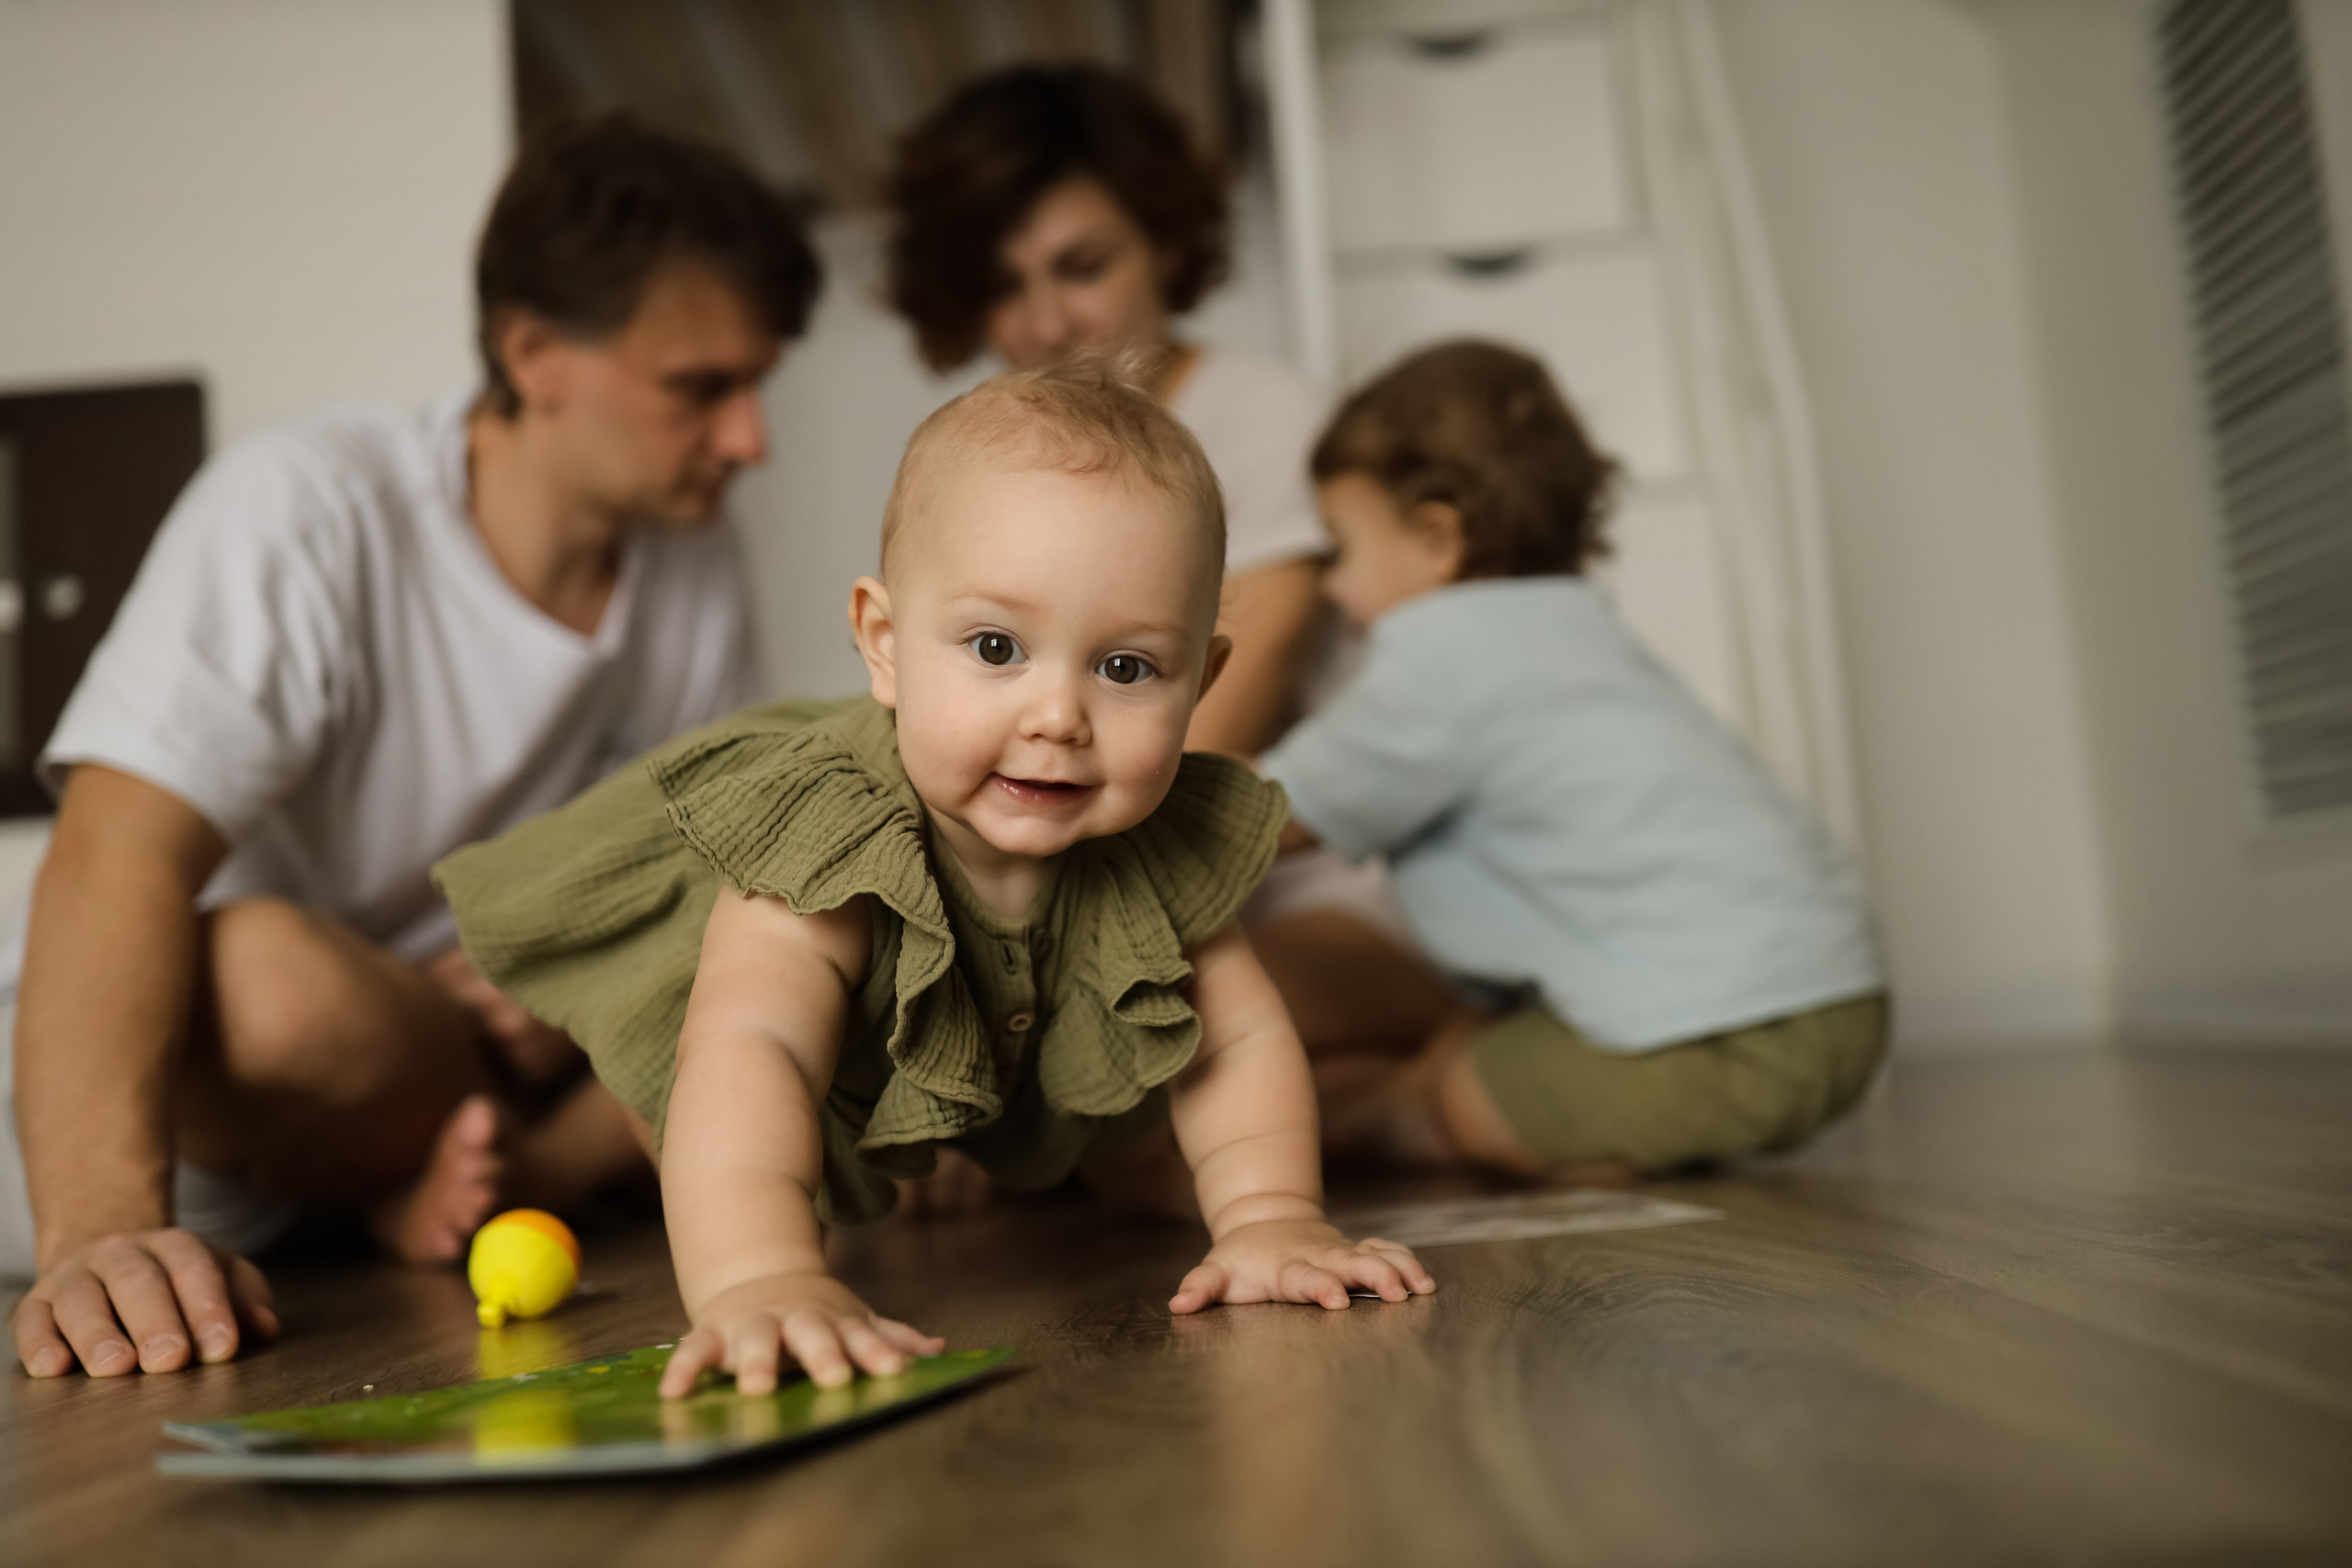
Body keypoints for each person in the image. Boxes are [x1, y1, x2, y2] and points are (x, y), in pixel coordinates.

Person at [434, 359, 1436, 1394]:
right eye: (997, 647)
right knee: (722, 1068)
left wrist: (1273, 1218)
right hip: (768, 1031)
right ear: (884, 645)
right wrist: (763, 1279)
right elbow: (757, 1047)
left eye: (1126, 668)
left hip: (1009, 1032)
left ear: (1200, 683)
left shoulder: (1160, 835)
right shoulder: (824, 831)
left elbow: (1238, 1039)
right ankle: (553, 1162)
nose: (1058, 717)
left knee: (1160, 1066)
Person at [6, 113, 821, 1381]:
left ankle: (476, 1188)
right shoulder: (308, 507)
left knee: (760, 965)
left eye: (756, 383)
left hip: (482, 1096)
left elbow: (710, 890)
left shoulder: (692, 554)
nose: (749, 439)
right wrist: (101, 1225)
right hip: (236, 1102)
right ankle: (422, 1190)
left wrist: (569, 975)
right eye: (700, 387)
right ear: (534, 352)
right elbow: (115, 856)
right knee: (279, 984)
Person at [887, 65, 1460, 1184]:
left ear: (1166, 243)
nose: (1046, 322)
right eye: (1004, 287)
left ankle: (1417, 1086)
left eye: (1084, 266)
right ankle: (1392, 1104)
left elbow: (1192, 749)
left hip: (1326, 900)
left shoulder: (1257, 420)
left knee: (1118, 1044)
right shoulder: (988, 460)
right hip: (1100, 895)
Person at [1258, 342, 1888, 1181]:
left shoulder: (1444, 656)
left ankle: (1397, 1131)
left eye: (1341, 548)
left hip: (1738, 1030)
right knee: (1476, 1041)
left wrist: (1144, 807)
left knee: (1472, 1098)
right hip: (1833, 998)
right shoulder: (1576, 630)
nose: (1332, 587)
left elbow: (1275, 813)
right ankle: (1385, 1115)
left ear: (1439, 538)